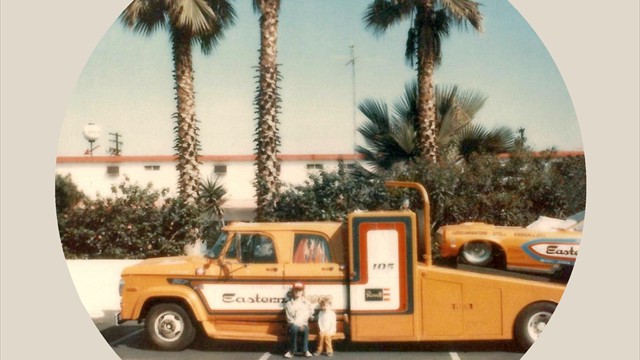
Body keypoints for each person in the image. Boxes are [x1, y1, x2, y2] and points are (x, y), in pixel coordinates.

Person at [284, 282, 314, 358]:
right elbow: (289, 318)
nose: (298, 292)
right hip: (293, 325)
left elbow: (309, 314)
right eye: (296, 290)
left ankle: (305, 350)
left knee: (306, 329)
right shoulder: (289, 304)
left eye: (300, 290)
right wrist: (297, 324)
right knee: (294, 328)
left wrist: (302, 324)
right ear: (293, 291)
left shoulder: (307, 303)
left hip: (303, 324)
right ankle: (292, 351)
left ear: (303, 292)